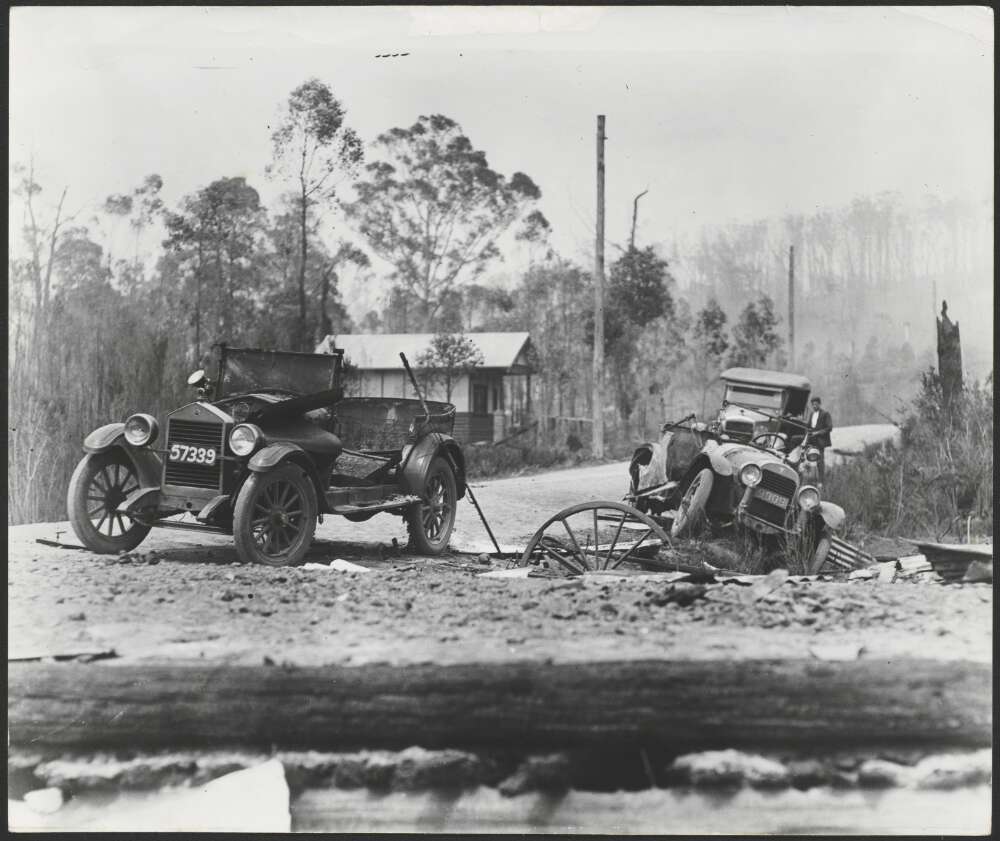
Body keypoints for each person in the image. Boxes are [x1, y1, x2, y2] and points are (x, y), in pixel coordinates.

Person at [806, 396, 833, 484]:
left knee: (820, 461)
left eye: (816, 404)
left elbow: (829, 427)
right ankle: (809, 480)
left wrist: (817, 433)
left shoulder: (825, 414)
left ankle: (821, 481)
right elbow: (808, 426)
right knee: (807, 459)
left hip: (820, 441)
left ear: (819, 404)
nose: (814, 406)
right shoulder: (812, 414)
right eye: (813, 404)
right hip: (811, 440)